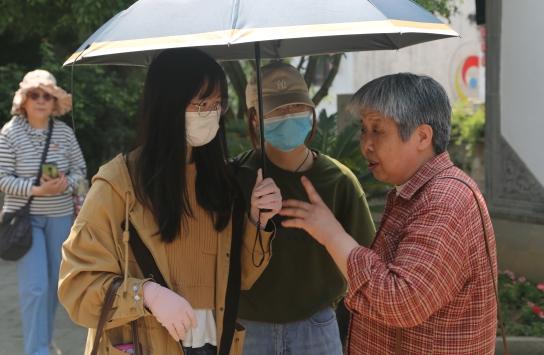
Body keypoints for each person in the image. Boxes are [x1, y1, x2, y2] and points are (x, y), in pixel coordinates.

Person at [58, 48, 280, 355]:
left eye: (218, 103)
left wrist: (258, 220)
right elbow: (78, 288)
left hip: (212, 343)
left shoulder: (221, 182)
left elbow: (238, 278)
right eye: (202, 103)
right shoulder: (117, 184)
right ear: (168, 104)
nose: (212, 112)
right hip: (145, 345)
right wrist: (146, 294)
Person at [280, 73, 499, 355]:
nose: (366, 144)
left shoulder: (445, 199)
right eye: (364, 129)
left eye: (378, 130)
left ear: (422, 136)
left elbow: (402, 302)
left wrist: (331, 234)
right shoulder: (422, 191)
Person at [234, 63, 376, 355]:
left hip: (317, 328)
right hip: (247, 330)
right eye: (276, 109)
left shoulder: (340, 182)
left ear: (311, 109)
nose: (288, 115)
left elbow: (368, 266)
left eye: (296, 105)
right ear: (255, 117)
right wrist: (254, 220)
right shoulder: (232, 177)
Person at [0, 70, 86, 355]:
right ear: (24, 99)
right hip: (24, 219)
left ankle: (43, 341)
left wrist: (65, 184)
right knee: (35, 287)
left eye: (48, 96)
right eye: (35, 95)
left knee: (54, 286)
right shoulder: (10, 132)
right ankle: (37, 350)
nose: (41, 100)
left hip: (60, 217)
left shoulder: (64, 133)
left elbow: (81, 173)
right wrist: (36, 190)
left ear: (55, 102)